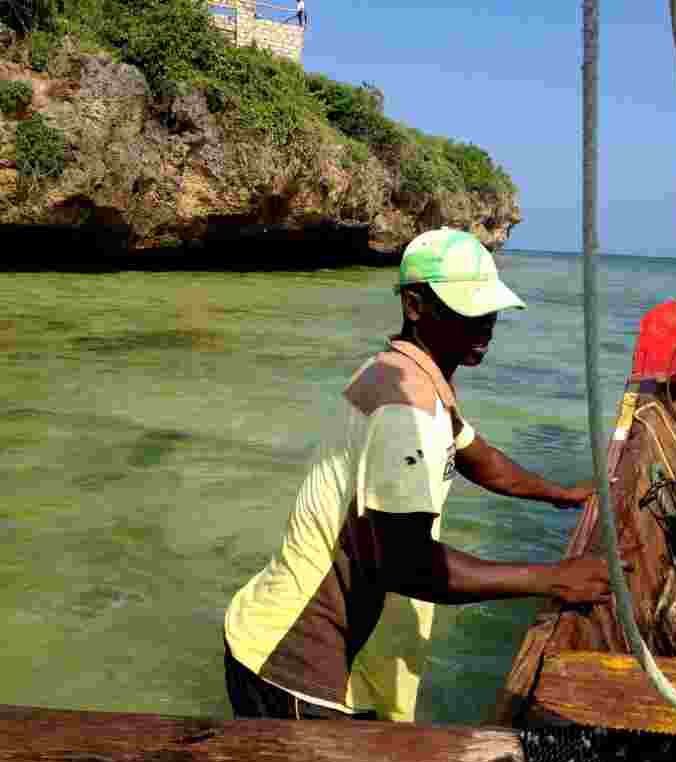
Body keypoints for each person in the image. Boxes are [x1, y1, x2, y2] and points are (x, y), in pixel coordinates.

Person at [223, 228, 618, 723]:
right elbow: (409, 565)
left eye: (490, 308)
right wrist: (553, 580)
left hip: (273, 638)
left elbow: (479, 457)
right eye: (467, 308)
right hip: (296, 664)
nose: (486, 324)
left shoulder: (408, 373)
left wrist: (561, 493)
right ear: (415, 305)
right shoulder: (403, 407)